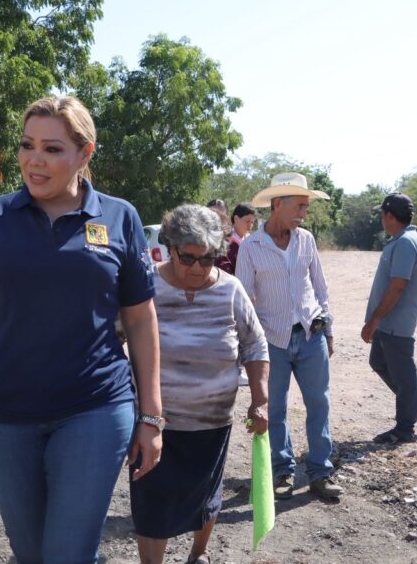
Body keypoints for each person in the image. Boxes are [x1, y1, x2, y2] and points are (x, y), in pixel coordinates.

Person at [0, 96, 162, 563]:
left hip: (95, 407)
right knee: (31, 551)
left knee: (68, 553)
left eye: (53, 149)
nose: (34, 159)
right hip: (1, 415)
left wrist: (152, 417)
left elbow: (140, 319)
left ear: (84, 154)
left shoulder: (119, 217)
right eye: (27, 145)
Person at [132, 204, 269, 564]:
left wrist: (260, 399)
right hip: (154, 422)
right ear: (170, 248)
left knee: (205, 494)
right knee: (152, 498)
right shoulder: (146, 286)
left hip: (212, 422)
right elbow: (116, 341)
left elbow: (255, 344)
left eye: (207, 259)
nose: (197, 268)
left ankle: (199, 554)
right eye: (187, 258)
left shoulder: (231, 291)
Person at [236, 172, 343, 500]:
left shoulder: (306, 240)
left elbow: (320, 288)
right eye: (299, 205)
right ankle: (282, 472)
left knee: (319, 404)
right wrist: (246, 347)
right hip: (272, 341)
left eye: (305, 206)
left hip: (310, 335)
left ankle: (320, 472)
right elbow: (242, 299)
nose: (303, 212)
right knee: (276, 409)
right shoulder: (252, 246)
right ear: (278, 204)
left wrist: (329, 331)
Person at [361, 192, 417, 444]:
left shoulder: (406, 242)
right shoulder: (400, 240)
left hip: (396, 324)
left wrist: (374, 320)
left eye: (382, 215)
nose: (381, 219)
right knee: (379, 361)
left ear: (389, 215)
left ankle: (405, 427)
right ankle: (415, 405)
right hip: (388, 323)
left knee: (404, 374)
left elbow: (398, 285)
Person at [226, 202, 257, 275]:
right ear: (236, 218)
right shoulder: (226, 239)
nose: (250, 225)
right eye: (247, 221)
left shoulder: (252, 239)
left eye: (252, 222)